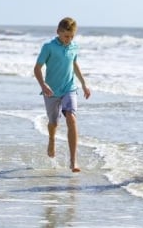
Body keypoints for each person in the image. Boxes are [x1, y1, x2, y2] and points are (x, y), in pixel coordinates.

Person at [34, 17, 91, 172]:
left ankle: (73, 161)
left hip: (69, 88)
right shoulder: (48, 47)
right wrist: (43, 84)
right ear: (58, 32)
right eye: (66, 36)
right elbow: (37, 68)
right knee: (54, 123)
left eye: (72, 36)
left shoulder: (74, 47)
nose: (69, 39)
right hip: (50, 90)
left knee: (71, 119)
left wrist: (84, 84)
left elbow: (74, 64)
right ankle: (51, 139)